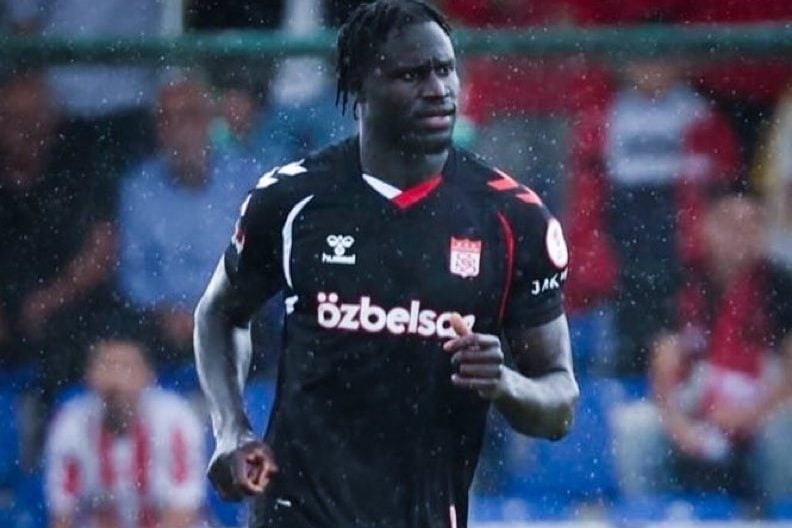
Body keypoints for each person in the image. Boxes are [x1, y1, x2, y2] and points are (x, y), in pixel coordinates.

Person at [193, 2, 579, 527]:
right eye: (412, 75)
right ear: (359, 84)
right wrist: (231, 429)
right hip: (297, 513)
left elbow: (559, 405)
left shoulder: (513, 218)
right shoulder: (290, 200)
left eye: (445, 70)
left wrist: (505, 384)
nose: (438, 89)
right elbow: (219, 313)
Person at [611, 193, 792, 507]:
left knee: (782, 431)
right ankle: (651, 517)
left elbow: (789, 381)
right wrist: (681, 427)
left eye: (752, 223)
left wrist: (747, 417)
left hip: (760, 410)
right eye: (730, 223)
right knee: (636, 427)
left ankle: (776, 515)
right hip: (692, 409)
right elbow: (663, 373)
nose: (740, 233)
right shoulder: (680, 281)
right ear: (707, 226)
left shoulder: (782, 287)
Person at [563, 57, 741, 375]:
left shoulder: (697, 110)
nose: (653, 71)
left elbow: (718, 178)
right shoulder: (608, 111)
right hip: (624, 219)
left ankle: (678, 378)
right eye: (644, 61)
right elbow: (588, 183)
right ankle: (628, 377)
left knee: (677, 320)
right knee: (625, 319)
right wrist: (591, 244)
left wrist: (696, 239)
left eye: (662, 61)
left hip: (676, 221)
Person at [118, 74, 261, 365]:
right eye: (167, 119)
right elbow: (134, 270)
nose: (179, 129)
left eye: (189, 116)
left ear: (209, 120)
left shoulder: (248, 177)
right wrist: (165, 312)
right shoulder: (138, 187)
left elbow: (263, 260)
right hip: (162, 324)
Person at [44, 337, 206, 528]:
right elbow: (62, 516)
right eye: (107, 366)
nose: (116, 380)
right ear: (89, 376)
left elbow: (184, 512)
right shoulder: (71, 424)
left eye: (126, 367)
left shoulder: (175, 421)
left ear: (148, 375)